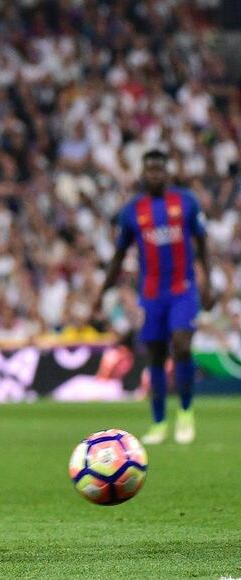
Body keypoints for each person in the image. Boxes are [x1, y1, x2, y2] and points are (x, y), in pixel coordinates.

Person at [92, 149, 214, 445]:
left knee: (182, 346)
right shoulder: (132, 211)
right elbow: (120, 255)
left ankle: (185, 413)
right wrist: (101, 293)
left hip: (183, 289)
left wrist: (207, 279)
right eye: (150, 169)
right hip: (151, 294)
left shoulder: (185, 202)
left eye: (160, 169)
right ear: (142, 173)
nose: (155, 174)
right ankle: (159, 422)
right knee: (156, 356)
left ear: (167, 172)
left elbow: (202, 241)